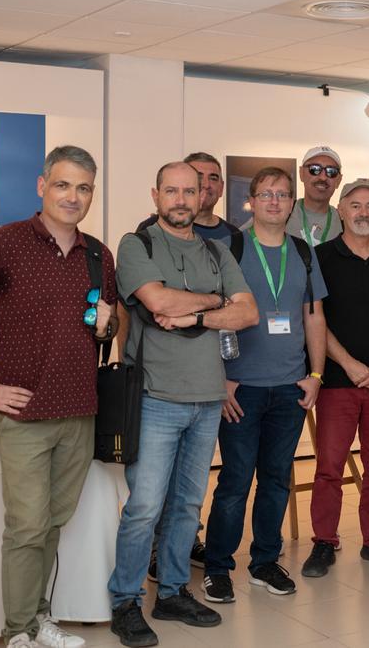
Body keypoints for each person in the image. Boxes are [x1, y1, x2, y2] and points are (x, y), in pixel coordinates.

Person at [0, 145, 117, 648]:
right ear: (42, 186)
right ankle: (18, 630)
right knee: (26, 527)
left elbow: (102, 326)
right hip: (23, 414)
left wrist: (109, 326)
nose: (72, 196)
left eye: (83, 188)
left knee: (52, 524)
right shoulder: (5, 243)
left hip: (80, 411)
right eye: (62, 185)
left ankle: (38, 618)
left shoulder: (100, 254)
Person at [108, 161, 257, 647]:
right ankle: (125, 601)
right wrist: (215, 303)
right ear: (156, 195)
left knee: (187, 505)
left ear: (202, 197)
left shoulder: (216, 249)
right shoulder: (138, 244)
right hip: (154, 398)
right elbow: (156, 302)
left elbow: (248, 311)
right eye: (170, 190)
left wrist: (196, 311)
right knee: (145, 507)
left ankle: (171, 592)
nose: (180, 199)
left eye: (189, 191)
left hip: (208, 398)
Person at [202, 166, 329, 601]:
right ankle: (218, 567)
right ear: (251, 201)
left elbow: (314, 317)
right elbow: (211, 315)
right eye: (266, 194)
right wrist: (221, 379)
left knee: (277, 478)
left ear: (292, 203)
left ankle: (265, 562)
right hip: (241, 389)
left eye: (282, 194)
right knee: (235, 480)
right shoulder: (227, 248)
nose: (275, 201)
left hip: (290, 388)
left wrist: (315, 376)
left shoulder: (304, 253)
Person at [303, 180, 369, 577]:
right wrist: (348, 363)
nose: (364, 212)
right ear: (341, 211)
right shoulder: (320, 258)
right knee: (329, 467)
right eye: (356, 206)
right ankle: (324, 543)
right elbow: (315, 320)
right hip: (337, 380)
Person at [289, 146, 345, 247]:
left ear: (339, 180)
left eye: (331, 172)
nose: (323, 177)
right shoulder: (282, 212)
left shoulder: (346, 222)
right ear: (301, 173)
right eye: (314, 169)